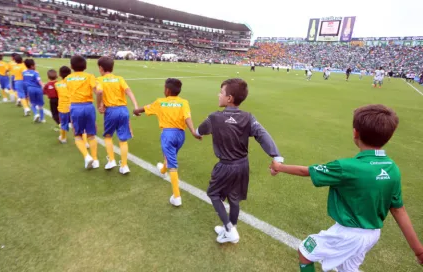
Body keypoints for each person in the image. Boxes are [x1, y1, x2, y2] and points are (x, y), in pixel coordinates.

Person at [270, 104, 423, 272]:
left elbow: (306, 171)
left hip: (348, 234)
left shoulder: (347, 167)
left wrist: (280, 167)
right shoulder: (392, 168)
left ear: (355, 132)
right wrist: (419, 250)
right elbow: (399, 210)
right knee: (348, 269)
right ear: (389, 136)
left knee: (305, 251)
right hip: (372, 234)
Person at [196, 78, 283, 244]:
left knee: (213, 194)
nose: (218, 94)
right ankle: (231, 227)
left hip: (225, 166)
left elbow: (199, 130)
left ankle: (229, 229)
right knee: (234, 198)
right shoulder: (248, 117)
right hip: (242, 165)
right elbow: (262, 135)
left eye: (221, 92)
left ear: (229, 98)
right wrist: (276, 157)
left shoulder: (214, 117)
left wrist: (197, 133)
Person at [133, 78, 201, 206]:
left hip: (167, 134)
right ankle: (163, 170)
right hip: (181, 135)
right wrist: (193, 132)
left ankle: (176, 197)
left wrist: (135, 111)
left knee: (172, 164)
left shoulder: (160, 102)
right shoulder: (184, 102)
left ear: (167, 90)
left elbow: (143, 109)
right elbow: (187, 117)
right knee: (170, 155)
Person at [95, 56, 139, 174]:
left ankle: (112, 160)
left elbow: (99, 91)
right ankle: (124, 166)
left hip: (111, 111)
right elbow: (128, 91)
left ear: (101, 68)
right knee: (123, 139)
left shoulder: (100, 80)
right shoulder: (119, 79)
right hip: (123, 110)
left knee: (108, 136)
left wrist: (99, 104)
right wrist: (135, 105)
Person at [66, 55, 99, 169]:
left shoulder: (68, 78)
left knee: (78, 135)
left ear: (71, 66)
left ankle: (87, 156)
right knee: (91, 134)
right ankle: (95, 159)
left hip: (75, 107)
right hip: (89, 106)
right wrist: (101, 104)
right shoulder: (90, 76)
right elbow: (97, 91)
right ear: (85, 66)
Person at [22, 59, 45, 123]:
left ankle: (36, 114)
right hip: (38, 89)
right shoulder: (35, 73)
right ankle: (42, 118)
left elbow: (24, 82)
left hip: (30, 89)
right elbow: (39, 81)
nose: (36, 65)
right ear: (32, 66)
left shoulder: (24, 72)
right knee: (40, 104)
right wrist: (43, 86)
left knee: (32, 103)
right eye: (35, 64)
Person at [54, 66, 71, 144]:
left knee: (63, 123)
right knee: (78, 124)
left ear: (60, 75)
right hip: (74, 106)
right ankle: (85, 142)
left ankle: (63, 138)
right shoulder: (73, 84)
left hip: (63, 107)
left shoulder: (57, 84)